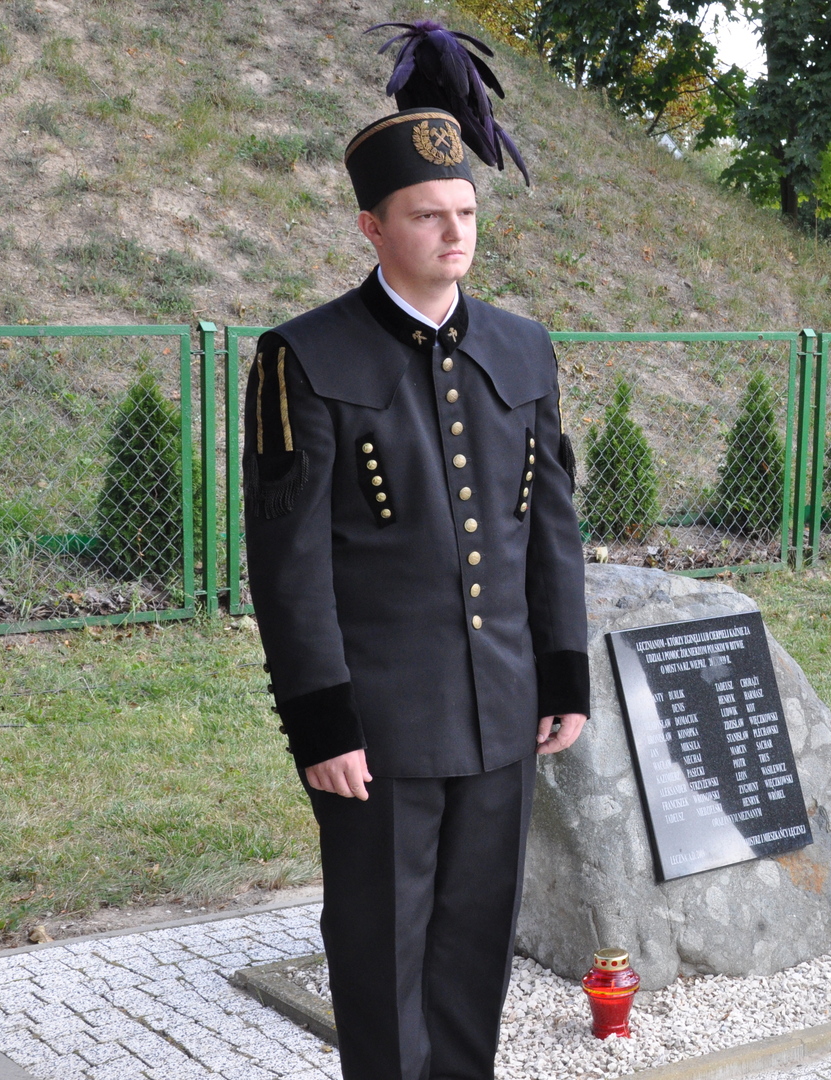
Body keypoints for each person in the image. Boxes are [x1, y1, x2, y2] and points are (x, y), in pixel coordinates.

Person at [243, 21, 588, 1080]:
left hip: (502, 709)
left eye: (465, 212)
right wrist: (321, 722)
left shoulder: (523, 347)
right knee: (380, 948)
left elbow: (551, 528)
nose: (454, 232)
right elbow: (288, 563)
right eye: (428, 214)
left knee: (476, 944)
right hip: (380, 726)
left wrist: (564, 673)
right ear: (373, 226)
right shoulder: (306, 356)